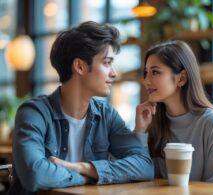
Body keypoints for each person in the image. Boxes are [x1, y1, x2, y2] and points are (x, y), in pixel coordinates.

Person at [8, 21, 154, 195]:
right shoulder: (34, 113)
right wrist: (86, 177)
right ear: (79, 66)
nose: (114, 73)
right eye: (107, 63)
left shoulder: (106, 114)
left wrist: (84, 168)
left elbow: (145, 167)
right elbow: (34, 175)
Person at [133, 40, 213, 184]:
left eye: (155, 72)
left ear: (181, 78)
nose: (146, 81)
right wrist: (139, 131)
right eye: (146, 72)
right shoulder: (152, 123)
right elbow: (137, 175)